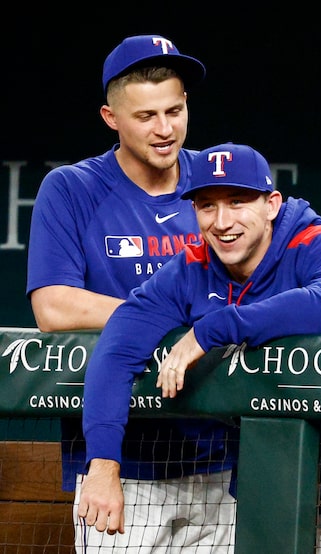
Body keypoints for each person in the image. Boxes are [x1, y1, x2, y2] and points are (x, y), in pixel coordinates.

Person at [78, 143, 321, 553]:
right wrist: (103, 464)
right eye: (207, 206)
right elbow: (115, 351)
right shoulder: (191, 269)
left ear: (271, 204)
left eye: (237, 202)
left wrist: (214, 328)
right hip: (264, 481)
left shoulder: (315, 242)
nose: (222, 222)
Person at [25, 34, 224, 551]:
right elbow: (53, 306)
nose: (165, 130)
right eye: (146, 117)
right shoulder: (71, 188)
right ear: (111, 118)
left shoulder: (217, 186)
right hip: (123, 463)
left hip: (224, 459)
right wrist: (159, 318)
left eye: (174, 111)